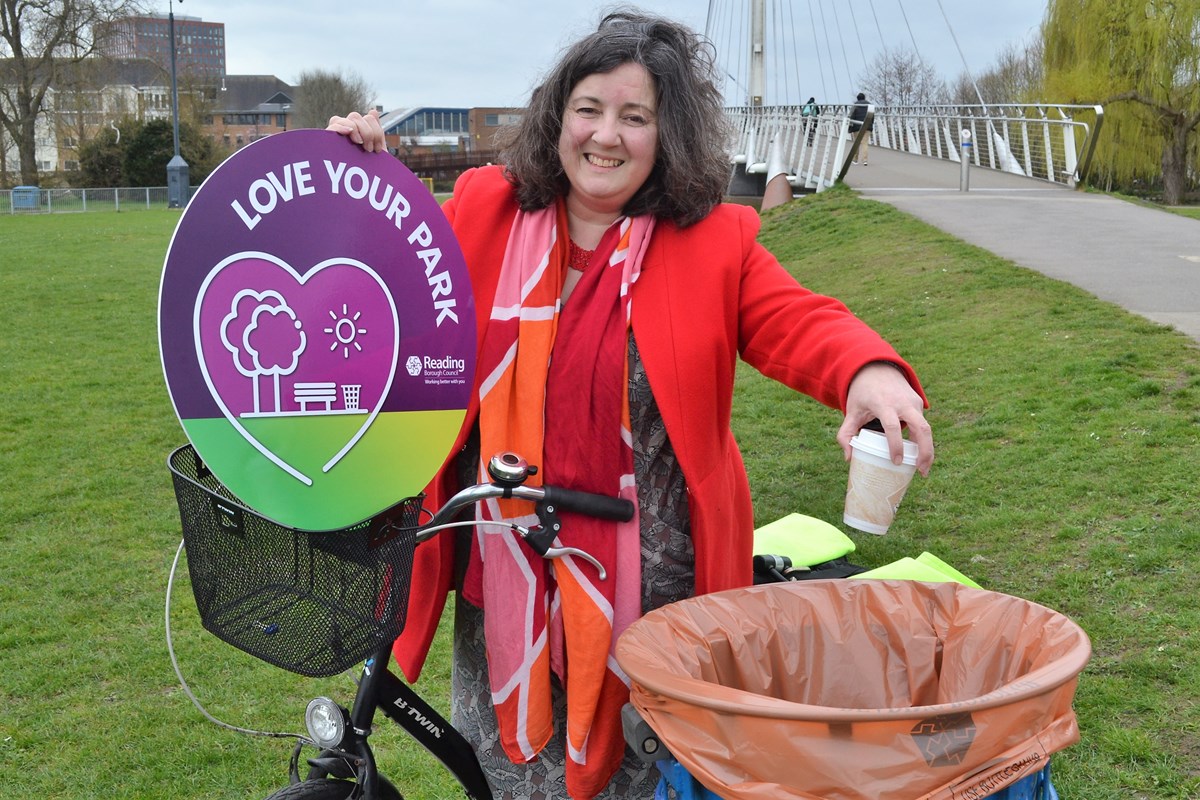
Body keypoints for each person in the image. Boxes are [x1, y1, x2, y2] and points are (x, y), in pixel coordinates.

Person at [329, 9, 932, 799]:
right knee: (507, 777)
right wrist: (361, 175)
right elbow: (392, 276)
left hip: (652, 597)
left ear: (667, 133)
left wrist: (869, 373)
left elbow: (798, 319)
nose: (605, 135)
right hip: (506, 572)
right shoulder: (483, 210)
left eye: (634, 116)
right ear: (558, 118)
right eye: (588, 109)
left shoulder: (715, 241)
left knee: (637, 782)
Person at [849, 91, 872, 165]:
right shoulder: (870, 105)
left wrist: (850, 126)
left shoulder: (855, 105)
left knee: (857, 143)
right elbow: (872, 116)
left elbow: (851, 116)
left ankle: (855, 160)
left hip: (857, 126)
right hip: (867, 126)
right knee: (865, 143)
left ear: (857, 99)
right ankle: (865, 160)